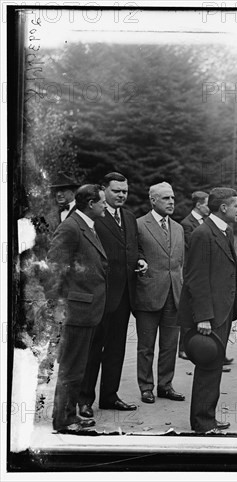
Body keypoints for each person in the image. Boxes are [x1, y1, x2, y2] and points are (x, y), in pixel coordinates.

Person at [78, 173, 148, 418]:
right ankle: (84, 400)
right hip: (100, 295)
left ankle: (109, 396)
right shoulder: (94, 216)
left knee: (116, 349)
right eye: (116, 190)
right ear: (104, 190)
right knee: (93, 349)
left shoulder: (129, 217)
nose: (121, 195)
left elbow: (134, 247)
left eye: (125, 191)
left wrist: (140, 259)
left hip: (125, 295)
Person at [178, 187, 237, 433]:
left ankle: (208, 418)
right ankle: (203, 423)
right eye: (236, 205)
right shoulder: (203, 234)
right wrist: (203, 317)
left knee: (214, 366)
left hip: (222, 311)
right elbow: (195, 278)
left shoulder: (224, 231)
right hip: (209, 315)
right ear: (223, 208)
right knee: (208, 366)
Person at [46, 184, 107, 432]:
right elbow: (53, 268)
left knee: (78, 367)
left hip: (87, 309)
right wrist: (62, 304)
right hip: (76, 310)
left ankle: (69, 414)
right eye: (103, 201)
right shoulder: (71, 228)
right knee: (71, 368)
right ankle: (64, 419)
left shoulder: (85, 225)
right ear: (91, 204)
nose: (106, 206)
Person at [135, 182, 185, 404]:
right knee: (146, 346)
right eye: (165, 198)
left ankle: (166, 385)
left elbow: (179, 263)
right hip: (148, 293)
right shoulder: (139, 225)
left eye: (173, 198)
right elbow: (134, 256)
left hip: (174, 294)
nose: (171, 202)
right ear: (153, 200)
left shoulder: (179, 228)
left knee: (169, 345)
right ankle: (146, 387)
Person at [178, 190, 209, 360]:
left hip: (202, 270)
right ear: (198, 205)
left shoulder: (204, 222)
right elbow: (194, 247)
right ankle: (183, 347)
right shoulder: (187, 224)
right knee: (189, 309)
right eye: (206, 204)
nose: (209, 208)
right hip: (191, 272)